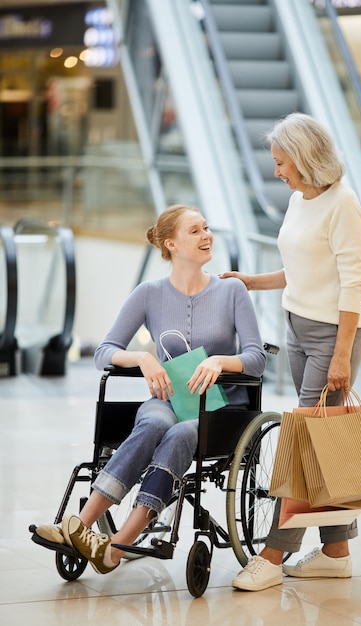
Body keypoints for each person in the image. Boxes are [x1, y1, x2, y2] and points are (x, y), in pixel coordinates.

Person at [36, 203, 266, 574]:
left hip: (222, 409)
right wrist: (142, 358)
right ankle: (77, 525)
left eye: (206, 228)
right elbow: (104, 352)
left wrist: (221, 361)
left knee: (177, 434)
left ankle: (116, 547)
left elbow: (257, 358)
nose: (206, 235)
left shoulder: (232, 292)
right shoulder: (149, 293)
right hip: (168, 400)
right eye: (195, 231)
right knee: (155, 424)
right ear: (171, 244)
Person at [221, 112, 361, 591]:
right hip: (297, 326)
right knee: (321, 445)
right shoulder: (297, 200)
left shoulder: (343, 204)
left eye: (281, 162)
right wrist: (250, 281)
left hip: (334, 334)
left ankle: (272, 553)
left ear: (306, 159)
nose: (276, 171)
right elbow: (296, 272)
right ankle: (336, 551)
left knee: (303, 443)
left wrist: (342, 355)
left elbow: (353, 283)